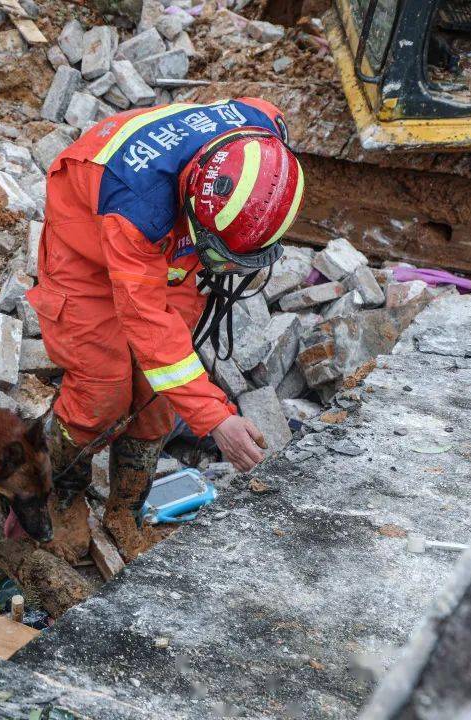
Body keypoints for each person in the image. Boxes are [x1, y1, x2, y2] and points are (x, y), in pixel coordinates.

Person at [26, 98, 305, 562]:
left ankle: (126, 513)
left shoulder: (265, 131)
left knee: (159, 395)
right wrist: (216, 419)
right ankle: (60, 496)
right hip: (90, 240)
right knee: (101, 391)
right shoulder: (134, 208)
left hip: (171, 233)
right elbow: (146, 321)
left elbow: (167, 358)